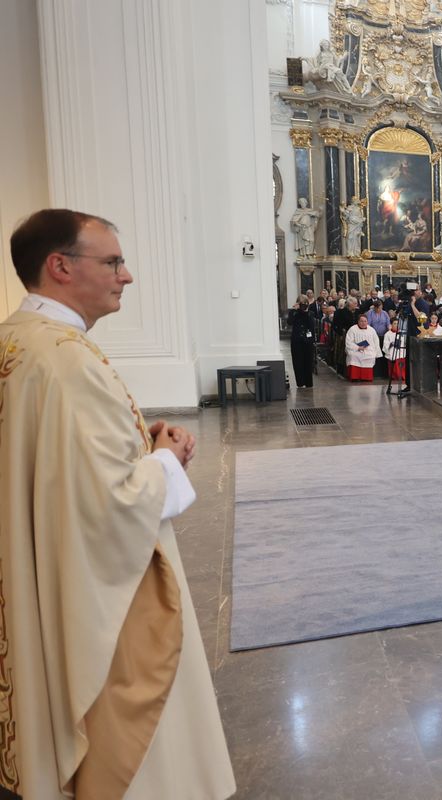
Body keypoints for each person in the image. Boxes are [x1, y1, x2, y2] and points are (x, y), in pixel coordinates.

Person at [0, 209, 235, 798]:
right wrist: (165, 459)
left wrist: (137, 440)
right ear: (60, 266)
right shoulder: (67, 360)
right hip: (94, 586)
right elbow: (111, 502)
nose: (125, 276)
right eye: (112, 262)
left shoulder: (17, 342)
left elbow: (56, 465)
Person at [289, 295, 316, 388]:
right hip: (296, 340)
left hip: (307, 340)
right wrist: (294, 310)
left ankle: (308, 382)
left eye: (305, 304)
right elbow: (290, 322)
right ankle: (300, 382)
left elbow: (311, 325)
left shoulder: (310, 313)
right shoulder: (294, 313)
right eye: (301, 304)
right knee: (297, 361)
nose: (303, 306)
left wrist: (306, 311)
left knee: (308, 361)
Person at [345, 314, 381, 382]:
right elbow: (349, 342)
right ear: (358, 321)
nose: (363, 323)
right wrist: (358, 347)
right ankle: (355, 377)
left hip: (368, 349)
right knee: (354, 356)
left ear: (367, 322)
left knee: (370, 355)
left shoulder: (371, 330)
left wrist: (376, 352)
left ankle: (366, 377)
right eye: (361, 321)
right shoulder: (352, 329)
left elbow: (376, 341)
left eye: (365, 321)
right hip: (356, 350)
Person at [381, 318, 407, 383]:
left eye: (398, 324)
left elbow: (405, 342)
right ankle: (395, 376)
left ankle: (403, 376)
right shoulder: (387, 334)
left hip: (401, 349)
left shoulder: (402, 333)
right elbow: (385, 345)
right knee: (394, 355)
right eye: (394, 324)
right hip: (392, 349)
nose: (396, 325)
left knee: (402, 355)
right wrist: (391, 344)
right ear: (391, 325)